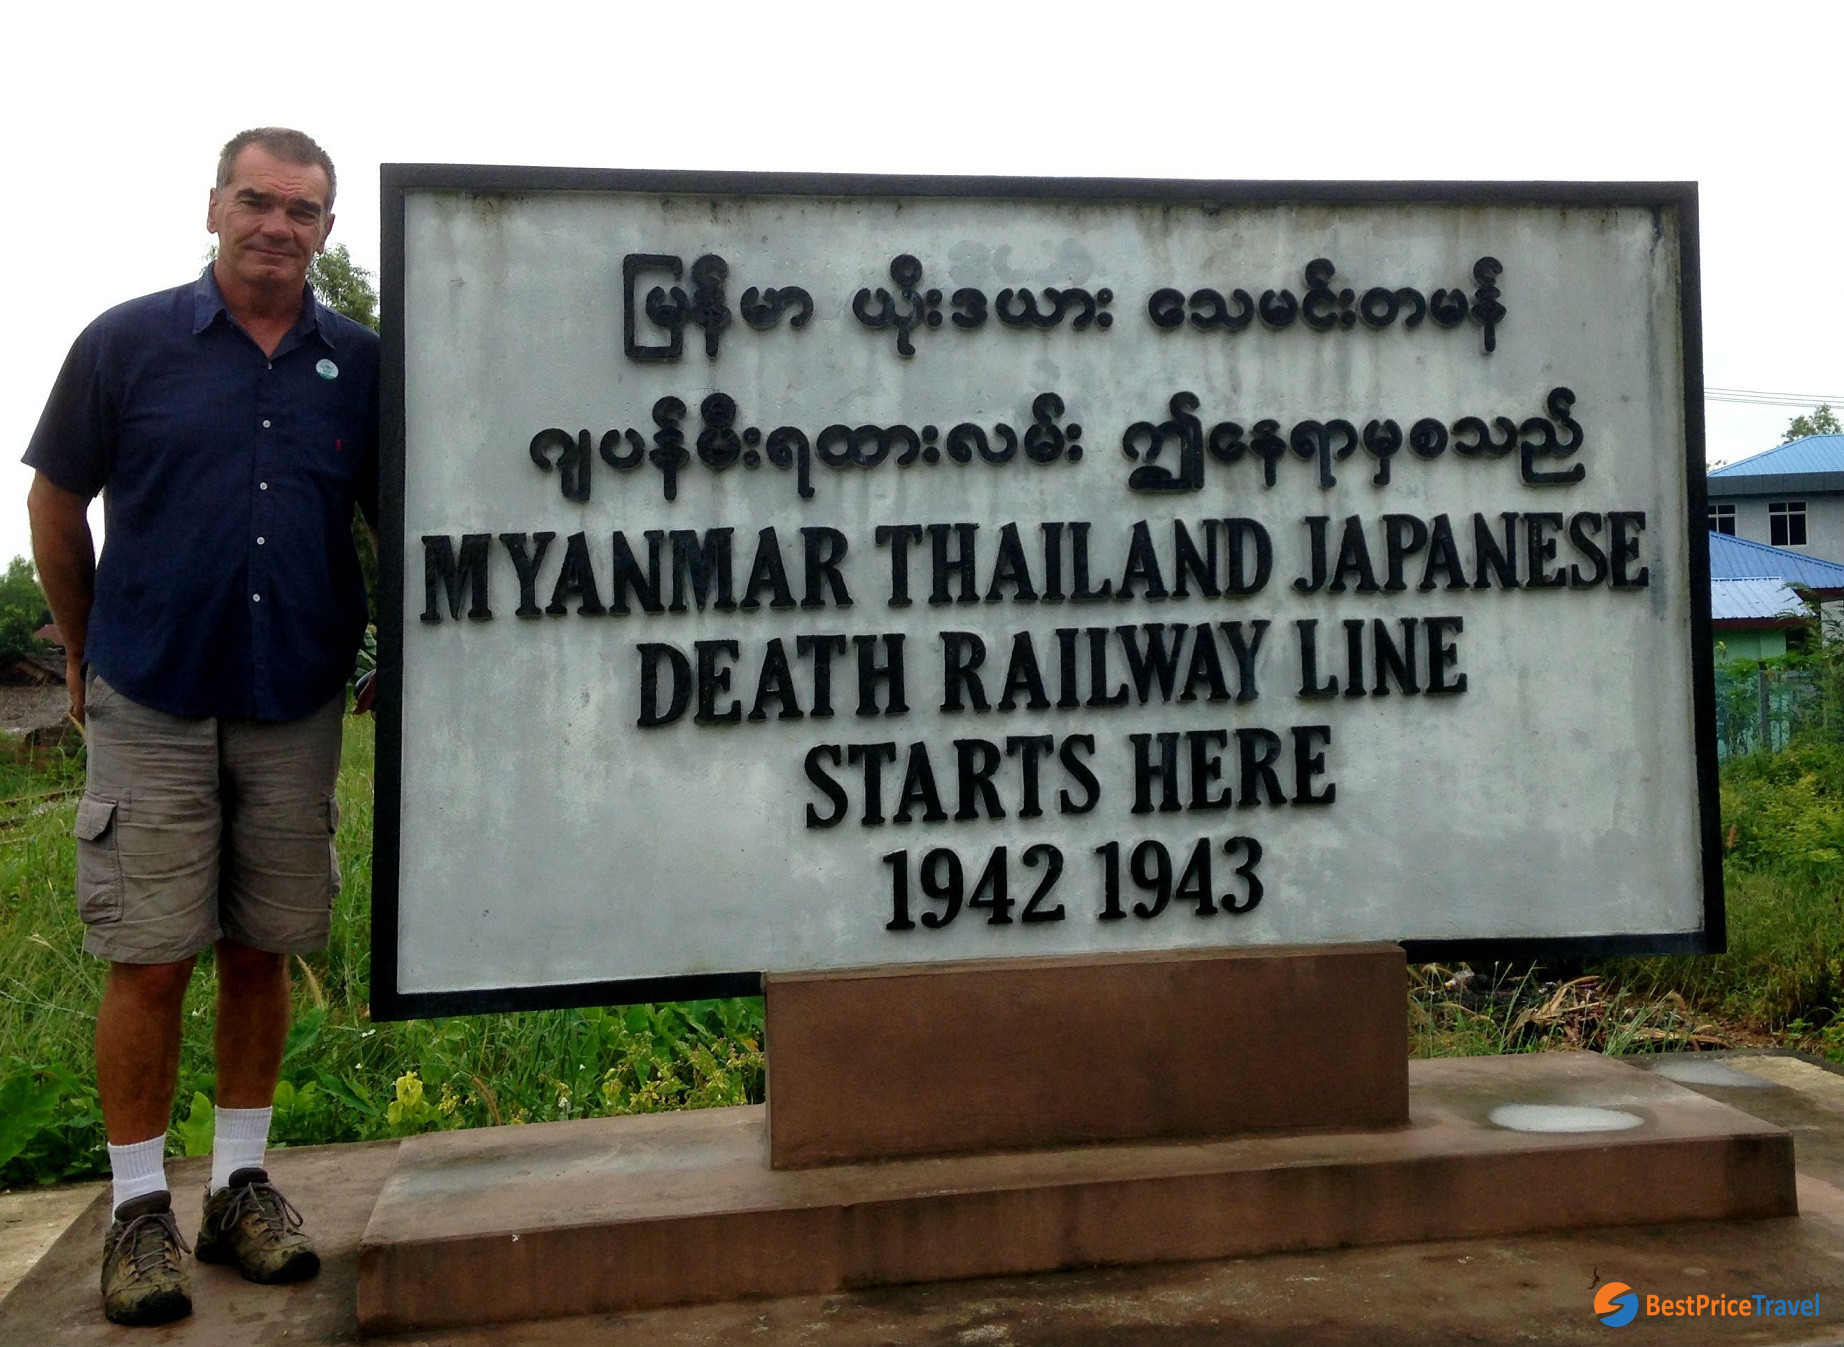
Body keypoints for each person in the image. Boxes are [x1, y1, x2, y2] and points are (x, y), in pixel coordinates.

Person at [24, 128, 378, 1327]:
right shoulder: (125, 344)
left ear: (326, 231)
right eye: (256, 201)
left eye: (303, 210)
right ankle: (137, 1211)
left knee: (262, 946)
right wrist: (79, 647)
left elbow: (407, 517)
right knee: (150, 953)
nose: (277, 226)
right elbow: (56, 499)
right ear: (213, 207)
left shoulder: (363, 365)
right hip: (153, 691)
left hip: (294, 695)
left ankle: (239, 1187)